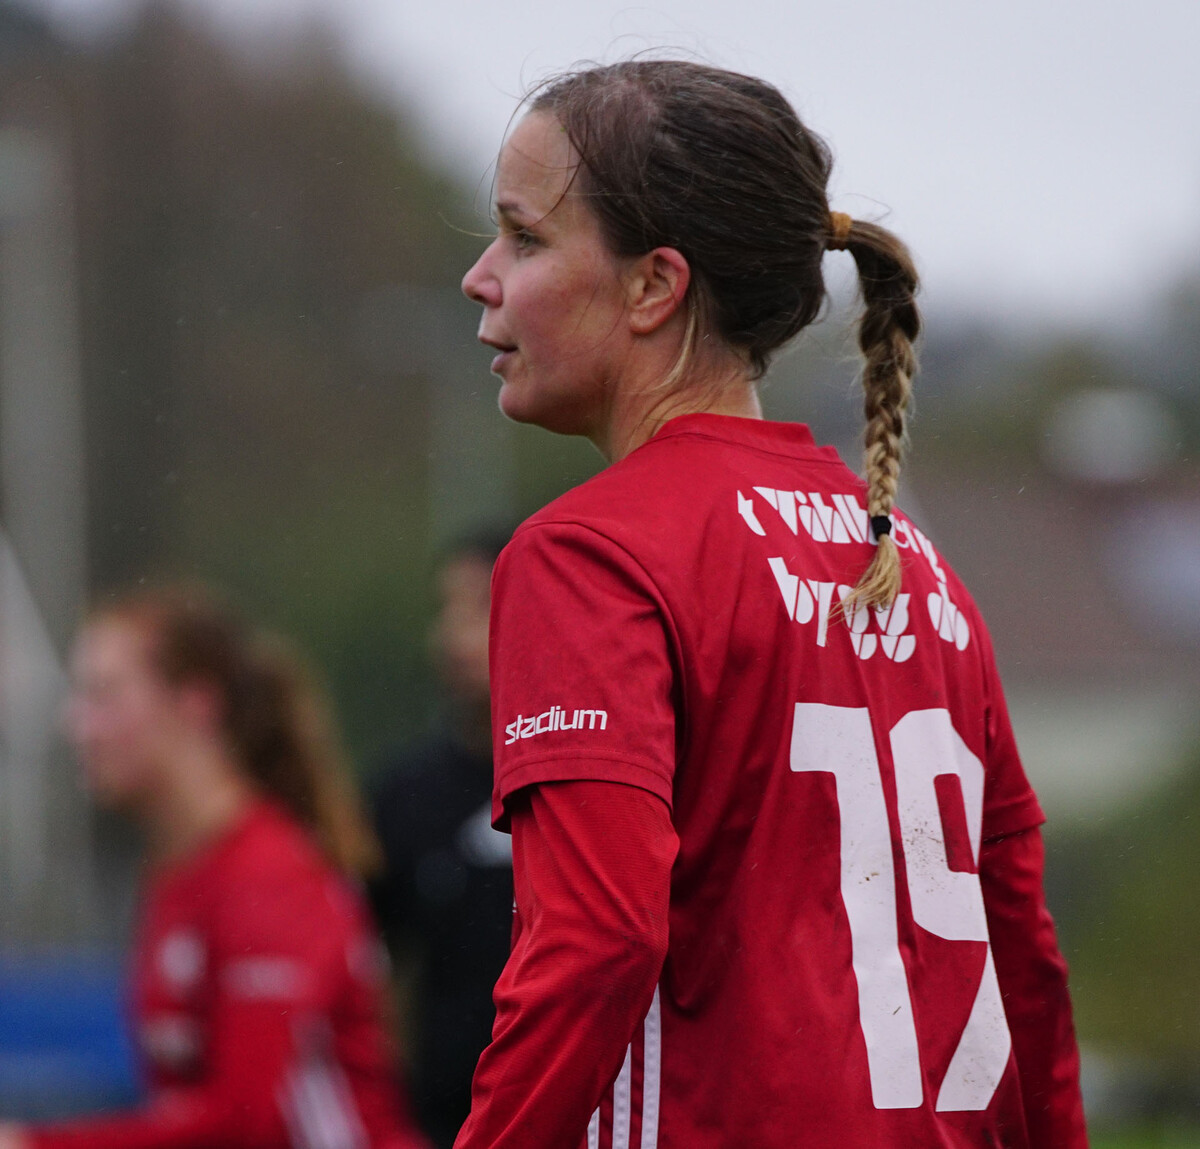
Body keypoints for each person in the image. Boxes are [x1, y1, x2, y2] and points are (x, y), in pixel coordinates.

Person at [454, 60, 1087, 1149]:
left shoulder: (589, 555)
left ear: (654, 286)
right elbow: (1021, 957)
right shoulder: (918, 567)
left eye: (524, 237)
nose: (481, 277)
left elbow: (598, 942)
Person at [0, 586, 429, 1149]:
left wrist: (32, 1144)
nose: (77, 724)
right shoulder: (176, 872)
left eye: (104, 695)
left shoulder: (269, 875)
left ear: (195, 703)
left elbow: (245, 1123)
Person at [369, 534, 514, 1149]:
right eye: (445, 609)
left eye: (479, 607)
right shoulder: (404, 796)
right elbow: (368, 969)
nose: (453, 635)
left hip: (574, 1114)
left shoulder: (596, 780)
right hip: (441, 1125)